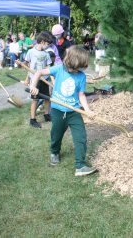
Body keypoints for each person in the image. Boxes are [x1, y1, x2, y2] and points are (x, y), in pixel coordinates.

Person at [29, 45, 97, 176]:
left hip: (74, 112)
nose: (80, 69)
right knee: (56, 135)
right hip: (58, 111)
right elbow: (39, 73)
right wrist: (33, 85)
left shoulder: (81, 76)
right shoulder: (59, 69)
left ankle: (80, 166)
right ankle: (54, 152)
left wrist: (88, 110)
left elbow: (81, 95)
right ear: (73, 62)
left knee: (81, 137)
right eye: (79, 66)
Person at [24, 31, 53, 128]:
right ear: (42, 41)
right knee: (35, 99)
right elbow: (27, 66)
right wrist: (27, 79)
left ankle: (47, 114)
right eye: (47, 44)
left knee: (47, 98)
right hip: (34, 80)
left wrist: (52, 81)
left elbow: (49, 68)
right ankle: (32, 119)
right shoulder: (30, 52)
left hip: (44, 79)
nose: (48, 46)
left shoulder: (46, 54)